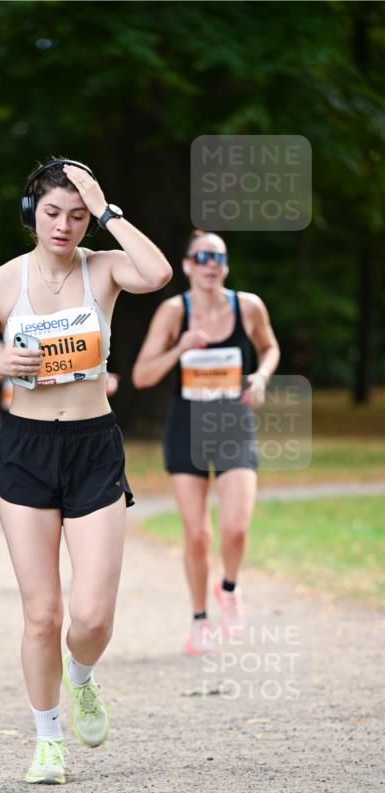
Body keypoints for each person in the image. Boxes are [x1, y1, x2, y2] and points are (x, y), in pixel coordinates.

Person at [0, 158, 172, 784]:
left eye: (78, 215)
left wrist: (110, 213)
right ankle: (47, 740)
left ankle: (82, 677)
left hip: (93, 445)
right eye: (53, 213)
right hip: (25, 447)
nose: (65, 226)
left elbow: (157, 272)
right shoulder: (1, 283)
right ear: (31, 214)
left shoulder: (103, 268)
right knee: (43, 613)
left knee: (93, 617)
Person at [132, 230, 280, 653]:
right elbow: (143, 376)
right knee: (197, 535)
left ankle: (229, 589)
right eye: (202, 257)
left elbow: (270, 348)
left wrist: (262, 377)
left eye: (218, 257)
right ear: (186, 265)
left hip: (234, 421)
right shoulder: (172, 312)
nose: (211, 264)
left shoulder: (247, 306)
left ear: (226, 266)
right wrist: (179, 347)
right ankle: (199, 619)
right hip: (187, 425)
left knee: (235, 527)